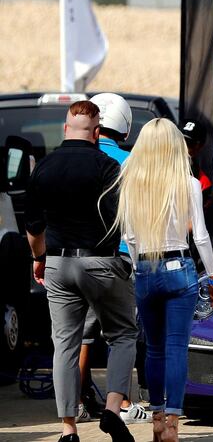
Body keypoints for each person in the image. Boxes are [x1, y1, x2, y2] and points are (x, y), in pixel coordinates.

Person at [25, 100, 137, 442]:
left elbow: (33, 227)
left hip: (58, 263)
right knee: (122, 335)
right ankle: (113, 409)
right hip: (102, 262)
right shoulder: (108, 167)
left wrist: (39, 258)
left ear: (65, 129)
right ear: (97, 132)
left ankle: (68, 428)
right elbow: (125, 219)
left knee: (65, 345)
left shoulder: (43, 169)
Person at [108, 118, 213, 442]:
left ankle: (156, 416)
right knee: (176, 349)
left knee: (153, 349)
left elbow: (128, 236)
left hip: (145, 267)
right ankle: (173, 421)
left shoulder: (131, 182)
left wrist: (141, 266)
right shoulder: (187, 183)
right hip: (179, 266)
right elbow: (200, 236)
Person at [79, 93, 150, 425]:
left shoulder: (82, 157)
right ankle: (121, 403)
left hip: (77, 256)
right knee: (123, 335)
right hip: (119, 255)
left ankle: (78, 401)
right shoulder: (131, 161)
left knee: (81, 336)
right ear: (125, 125)